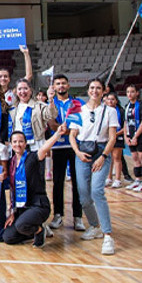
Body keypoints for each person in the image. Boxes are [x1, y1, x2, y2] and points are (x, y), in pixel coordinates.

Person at [67, 78, 118, 255]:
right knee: (84, 195)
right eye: (92, 88)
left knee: (97, 191)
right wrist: (78, 153)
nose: (94, 91)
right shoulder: (77, 110)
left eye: (98, 88)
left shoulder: (110, 111)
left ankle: (108, 235)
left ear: (104, 91)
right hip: (82, 152)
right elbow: (72, 136)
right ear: (87, 90)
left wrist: (103, 156)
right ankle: (94, 225)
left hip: (101, 152)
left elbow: (112, 137)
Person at [2, 125, 65, 247]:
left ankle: (39, 231)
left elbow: (44, 148)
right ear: (10, 144)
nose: (18, 144)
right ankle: (33, 229)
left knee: (21, 225)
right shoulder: (11, 163)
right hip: (22, 208)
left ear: (25, 143)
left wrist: (57, 134)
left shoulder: (33, 157)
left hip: (38, 205)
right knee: (8, 237)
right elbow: (12, 190)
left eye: (21, 141)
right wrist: (13, 212)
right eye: (15, 142)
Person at [45, 74, 85, 231]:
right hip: (58, 148)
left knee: (77, 183)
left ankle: (78, 217)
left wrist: (68, 131)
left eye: (63, 83)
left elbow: (81, 125)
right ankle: (58, 215)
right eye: (58, 84)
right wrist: (58, 129)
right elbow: (51, 124)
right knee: (58, 183)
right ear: (53, 87)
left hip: (75, 147)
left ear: (68, 86)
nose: (61, 86)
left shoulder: (77, 103)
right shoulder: (51, 103)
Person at [7, 79, 52, 153]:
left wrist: (50, 99)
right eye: (20, 89)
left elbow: (51, 115)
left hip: (35, 146)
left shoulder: (39, 106)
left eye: (25, 88)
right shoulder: (12, 108)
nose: (22, 92)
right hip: (17, 147)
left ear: (31, 91)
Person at [123, 84, 142, 192]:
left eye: (132, 92)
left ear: (137, 93)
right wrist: (126, 136)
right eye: (128, 92)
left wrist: (136, 136)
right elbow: (125, 122)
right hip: (131, 135)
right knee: (135, 158)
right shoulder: (127, 106)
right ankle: (138, 179)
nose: (129, 94)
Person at [105, 91, 126, 189]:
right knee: (108, 158)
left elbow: (124, 127)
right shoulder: (104, 111)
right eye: (109, 99)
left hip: (118, 137)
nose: (110, 101)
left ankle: (117, 179)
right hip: (107, 138)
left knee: (116, 157)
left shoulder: (121, 111)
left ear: (116, 101)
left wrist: (115, 134)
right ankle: (108, 178)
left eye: (112, 99)